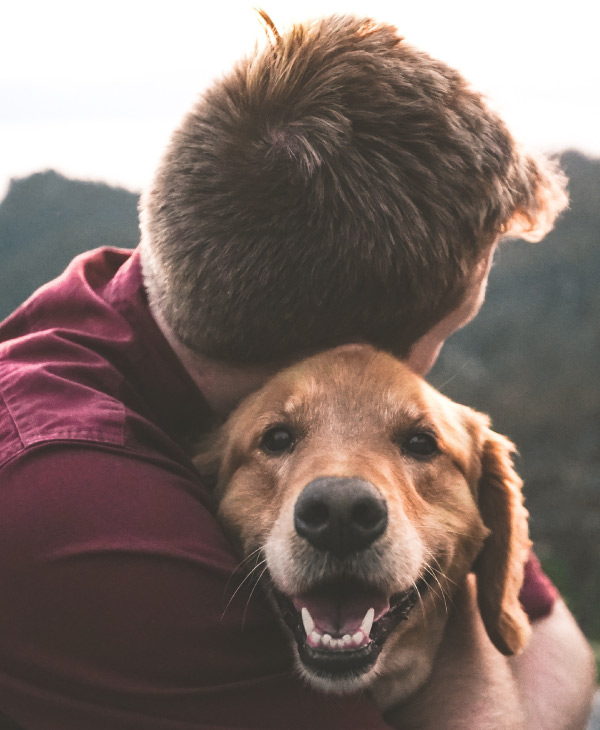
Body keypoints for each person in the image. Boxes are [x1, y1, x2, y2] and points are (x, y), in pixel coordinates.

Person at [0, 13, 595, 730]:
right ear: (349, 348)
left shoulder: (165, 301)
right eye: (445, 334)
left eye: (409, 435)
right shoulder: (82, 512)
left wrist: (464, 587)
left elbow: (553, 638)